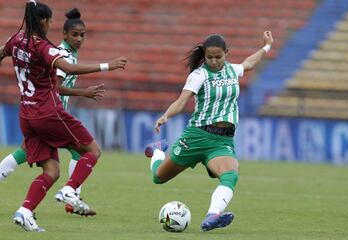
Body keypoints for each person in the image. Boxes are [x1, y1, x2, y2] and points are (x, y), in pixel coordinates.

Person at [0, 1, 127, 232]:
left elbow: (1, 54)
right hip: (48, 112)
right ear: (44, 22)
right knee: (92, 151)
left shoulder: (15, 40)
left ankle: (25, 212)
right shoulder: (44, 48)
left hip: (26, 115)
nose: (51, 25)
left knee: (52, 171)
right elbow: (67, 69)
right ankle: (71, 190)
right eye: (50, 21)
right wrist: (107, 66)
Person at [144, 31, 273, 232]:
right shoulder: (199, 75)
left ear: (226, 53)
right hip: (197, 136)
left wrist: (266, 47)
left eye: (218, 57)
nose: (213, 61)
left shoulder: (232, 70)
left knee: (231, 175)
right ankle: (158, 151)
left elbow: (248, 64)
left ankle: (212, 216)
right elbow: (182, 101)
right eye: (209, 57)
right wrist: (166, 116)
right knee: (158, 178)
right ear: (204, 55)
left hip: (222, 141)